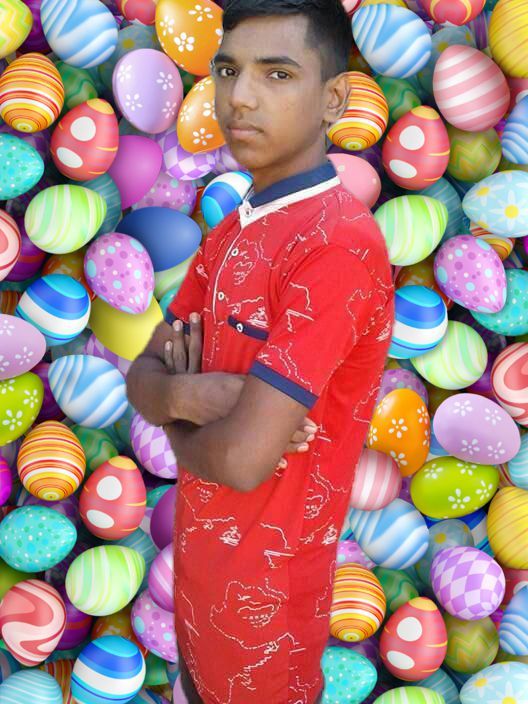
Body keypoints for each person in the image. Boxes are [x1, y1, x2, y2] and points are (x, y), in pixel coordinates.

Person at [126, 0, 394, 702]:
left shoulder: (337, 246)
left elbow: (243, 463)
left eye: (277, 74)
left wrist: (174, 419)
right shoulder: (232, 231)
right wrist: (193, 395)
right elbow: (142, 379)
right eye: (227, 71)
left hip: (266, 616)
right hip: (200, 586)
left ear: (333, 99)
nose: (239, 97)